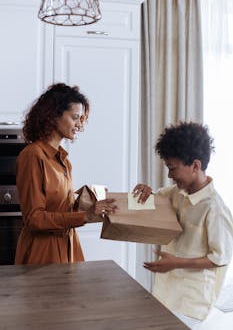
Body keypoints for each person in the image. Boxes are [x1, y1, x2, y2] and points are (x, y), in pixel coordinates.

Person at [133, 121, 233, 328]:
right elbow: (153, 199)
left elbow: (219, 259)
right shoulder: (175, 193)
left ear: (195, 165)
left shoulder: (215, 208)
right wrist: (145, 191)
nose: (169, 175)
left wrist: (176, 262)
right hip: (165, 294)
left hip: (191, 302)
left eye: (173, 168)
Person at [15, 83, 117, 265]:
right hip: (42, 253)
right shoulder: (33, 155)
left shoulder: (64, 161)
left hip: (69, 246)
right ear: (54, 116)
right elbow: (34, 218)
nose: (79, 124)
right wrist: (84, 216)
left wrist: (89, 204)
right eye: (75, 117)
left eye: (81, 119)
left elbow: (59, 207)